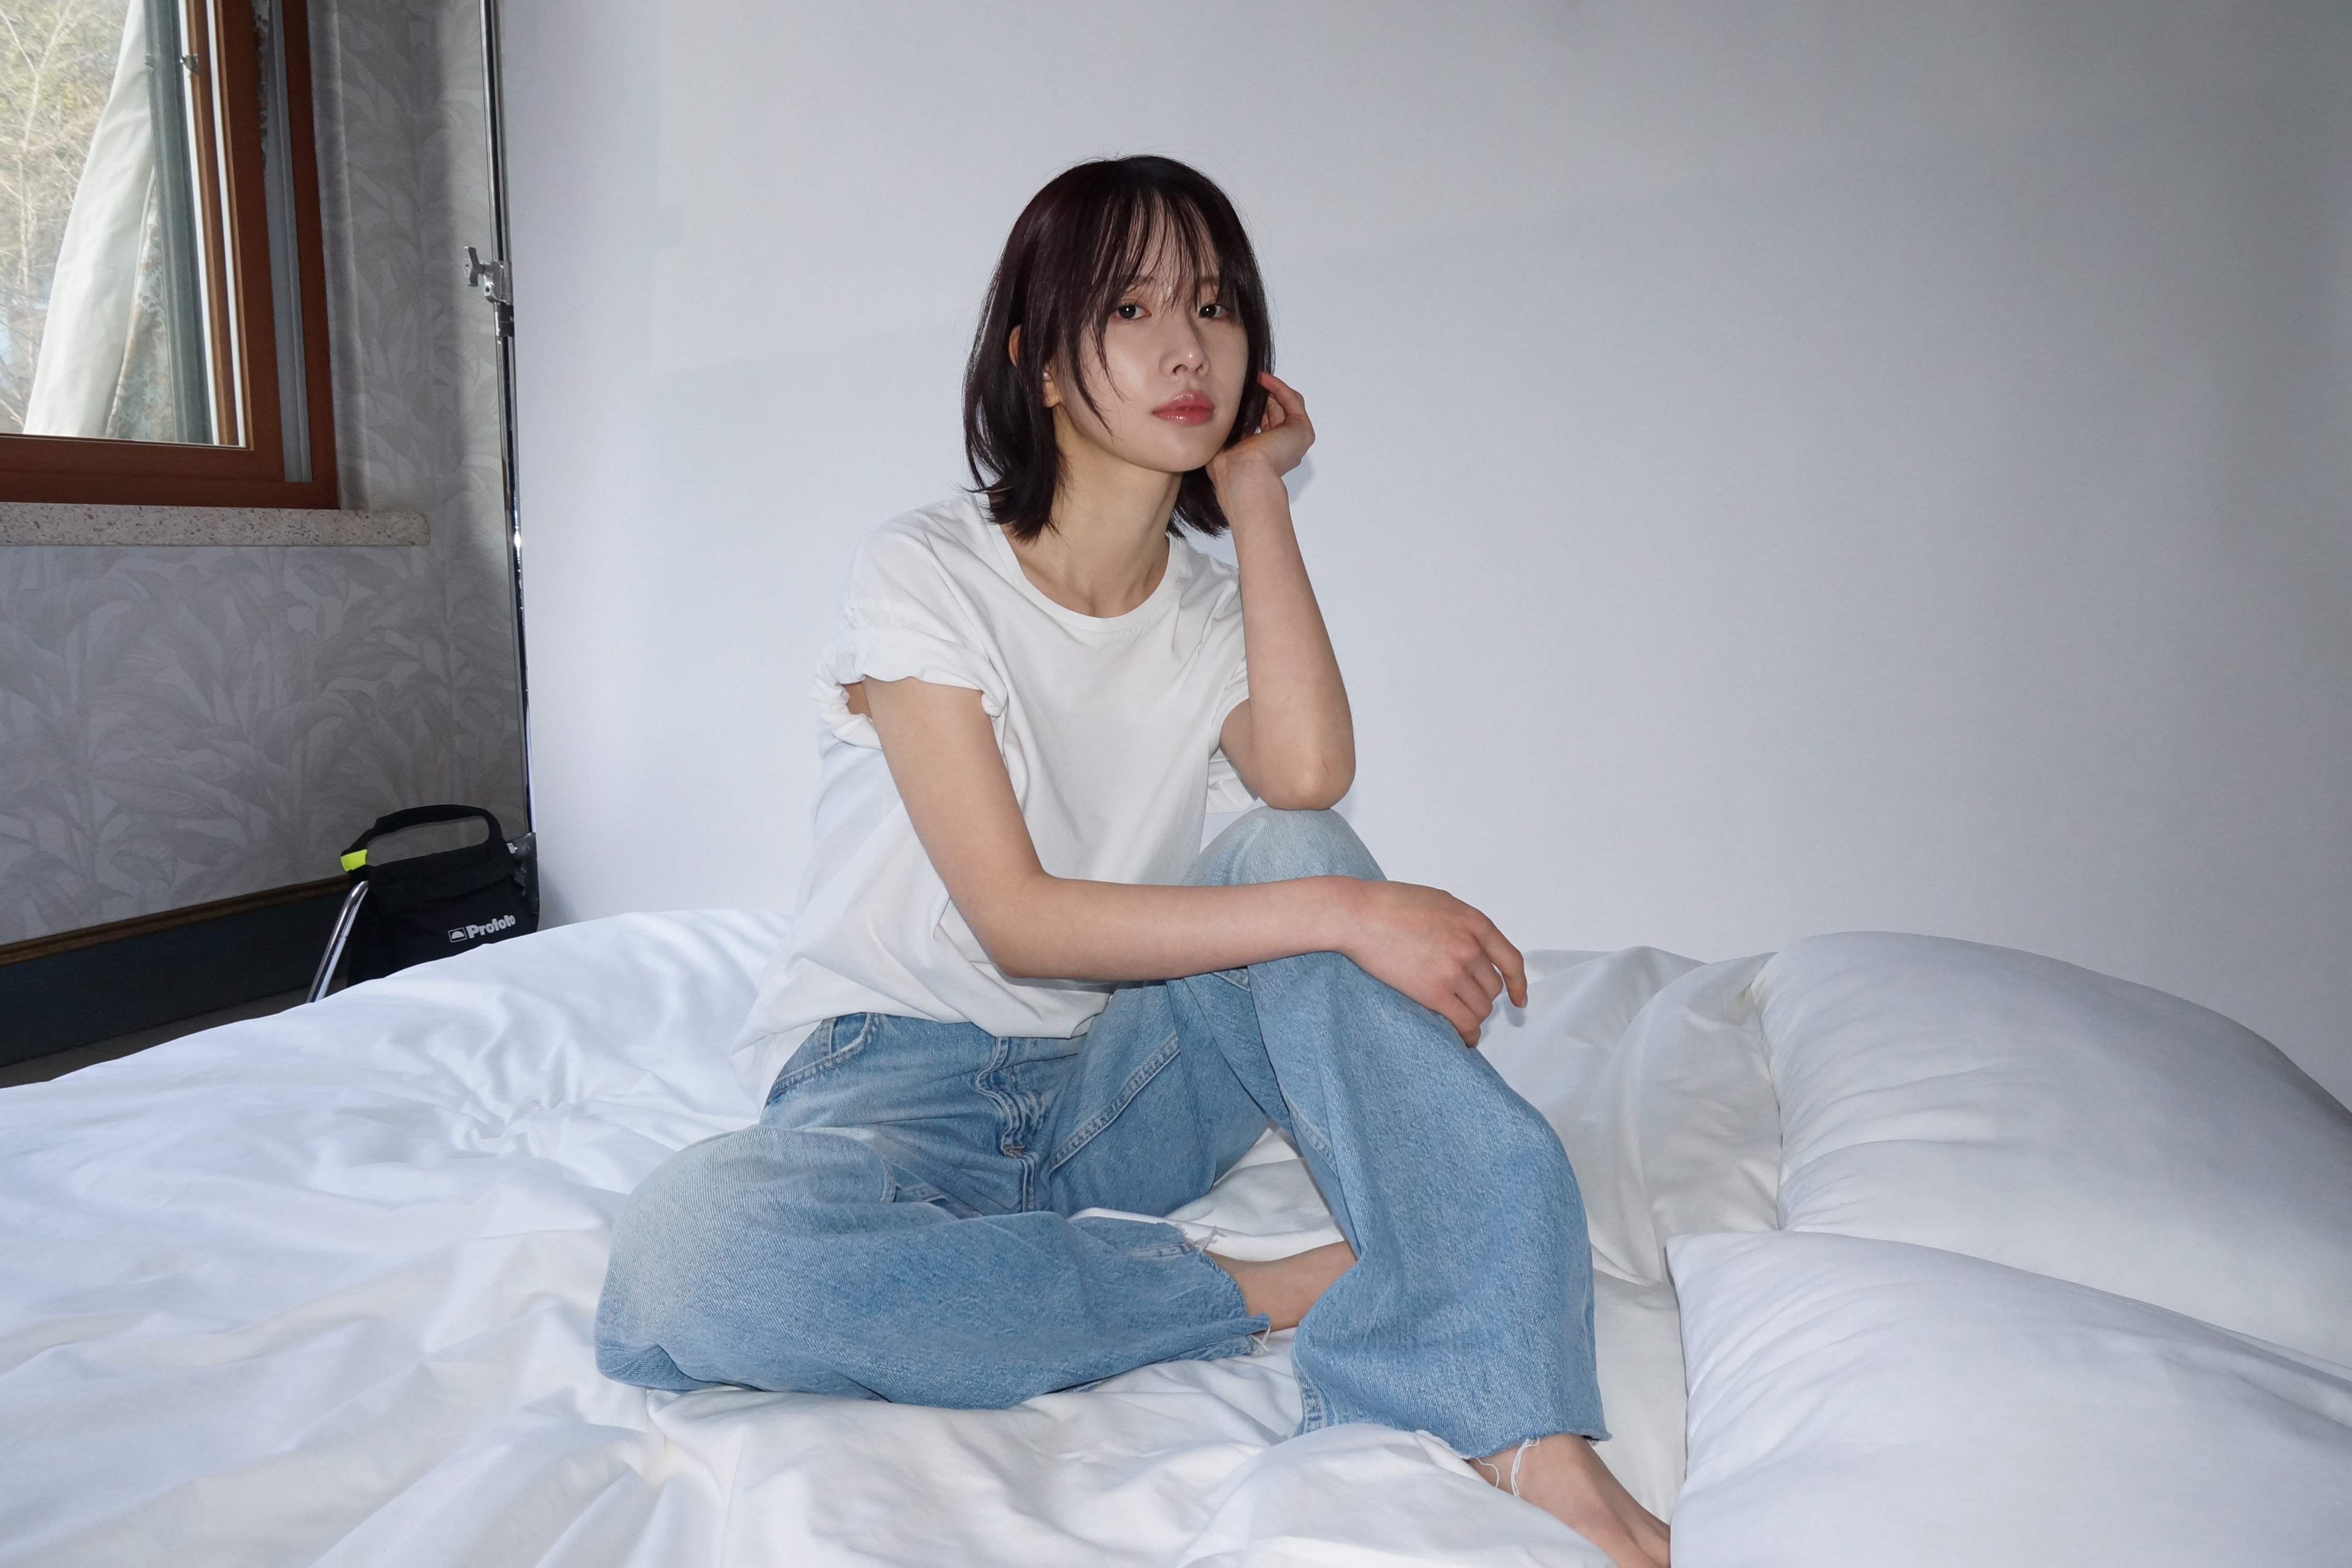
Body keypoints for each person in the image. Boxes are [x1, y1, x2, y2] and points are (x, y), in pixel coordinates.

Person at [594, 155, 1669, 1568]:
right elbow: (1018, 921)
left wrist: (1256, 492)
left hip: (1121, 1087)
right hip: (893, 1084)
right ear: (1040, 363)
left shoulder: (1214, 610)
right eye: (1130, 309)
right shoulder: (925, 570)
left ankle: (1516, 1420)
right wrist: (1350, 911)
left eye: (1214, 307)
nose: (1186, 348)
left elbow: (1305, 781)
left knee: (1291, 848)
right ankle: (1252, 1292)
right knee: (693, 1256)